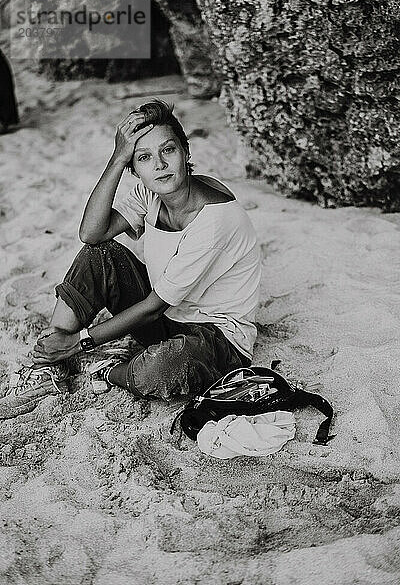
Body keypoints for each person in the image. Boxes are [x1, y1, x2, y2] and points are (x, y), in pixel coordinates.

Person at [0, 100, 261, 419]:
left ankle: (109, 371)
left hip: (218, 339)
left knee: (163, 368)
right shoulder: (149, 194)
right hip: (167, 318)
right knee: (100, 254)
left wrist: (82, 342)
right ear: (135, 169)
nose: (160, 165)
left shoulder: (215, 218)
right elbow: (92, 234)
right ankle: (52, 358)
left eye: (169, 150)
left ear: (186, 152)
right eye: (144, 157)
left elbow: (154, 306)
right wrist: (116, 158)